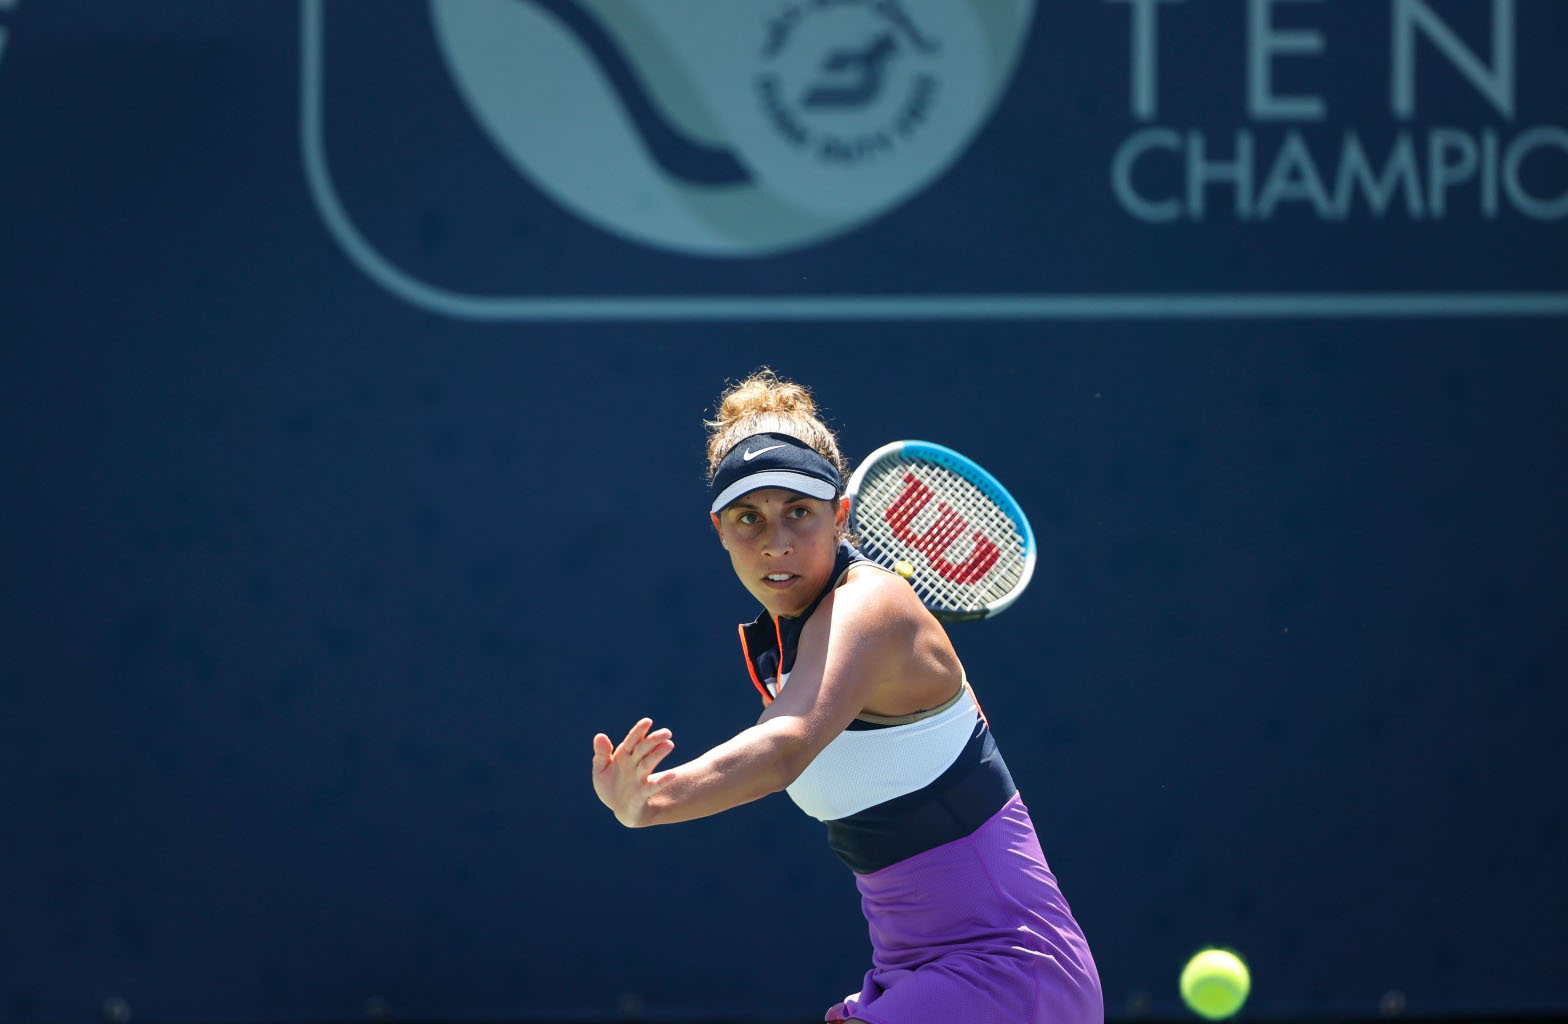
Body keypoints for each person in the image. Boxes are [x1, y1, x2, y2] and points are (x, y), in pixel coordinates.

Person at [591, 370, 1102, 1024]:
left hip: (1006, 973)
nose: (776, 542)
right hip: (911, 977)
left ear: (842, 515)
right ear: (719, 530)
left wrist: (650, 802)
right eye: (749, 518)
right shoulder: (788, 642)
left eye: (799, 513)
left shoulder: (873, 605)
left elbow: (784, 750)